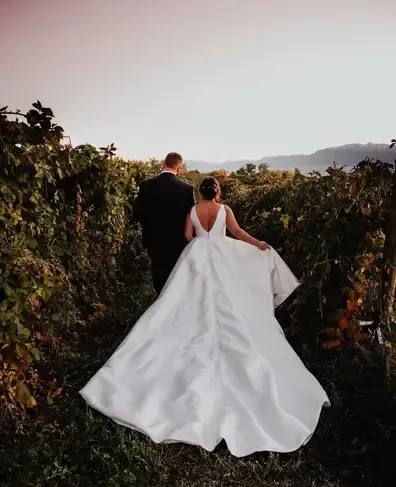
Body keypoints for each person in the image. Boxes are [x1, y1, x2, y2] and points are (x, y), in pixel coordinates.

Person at [80, 176, 330, 458]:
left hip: (197, 255)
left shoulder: (192, 210)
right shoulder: (225, 210)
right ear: (218, 191)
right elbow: (237, 232)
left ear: (200, 191)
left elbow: (188, 237)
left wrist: (201, 239)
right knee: (230, 300)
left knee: (183, 301)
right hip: (223, 255)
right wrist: (258, 243)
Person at [133, 152, 195, 295]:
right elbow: (190, 216)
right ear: (179, 169)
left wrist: (150, 225)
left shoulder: (146, 185)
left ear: (163, 164)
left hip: (154, 238)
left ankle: (160, 302)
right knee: (176, 272)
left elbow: (137, 214)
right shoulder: (187, 189)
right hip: (178, 240)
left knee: (158, 273)